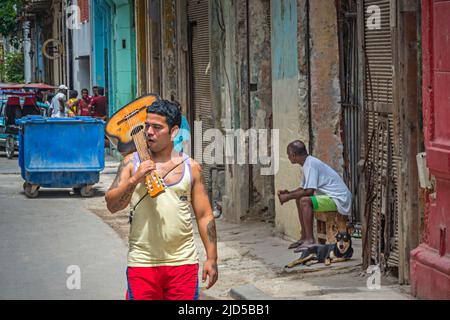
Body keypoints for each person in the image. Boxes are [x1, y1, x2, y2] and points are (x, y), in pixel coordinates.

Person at [105, 99, 218, 300]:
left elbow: (204, 215)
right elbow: (112, 205)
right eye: (147, 125)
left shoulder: (191, 167)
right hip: (142, 264)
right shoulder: (132, 163)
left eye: (157, 127)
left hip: (183, 264)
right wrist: (134, 179)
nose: (149, 131)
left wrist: (212, 257)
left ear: (173, 132)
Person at [277, 140, 352, 252]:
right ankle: (304, 237)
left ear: (293, 155)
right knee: (299, 199)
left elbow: (309, 191)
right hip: (331, 197)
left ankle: (310, 240)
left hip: (339, 200)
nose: (288, 157)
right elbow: (302, 189)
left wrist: (287, 197)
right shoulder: (307, 164)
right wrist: (289, 193)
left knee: (304, 201)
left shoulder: (310, 164)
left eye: (288, 155)